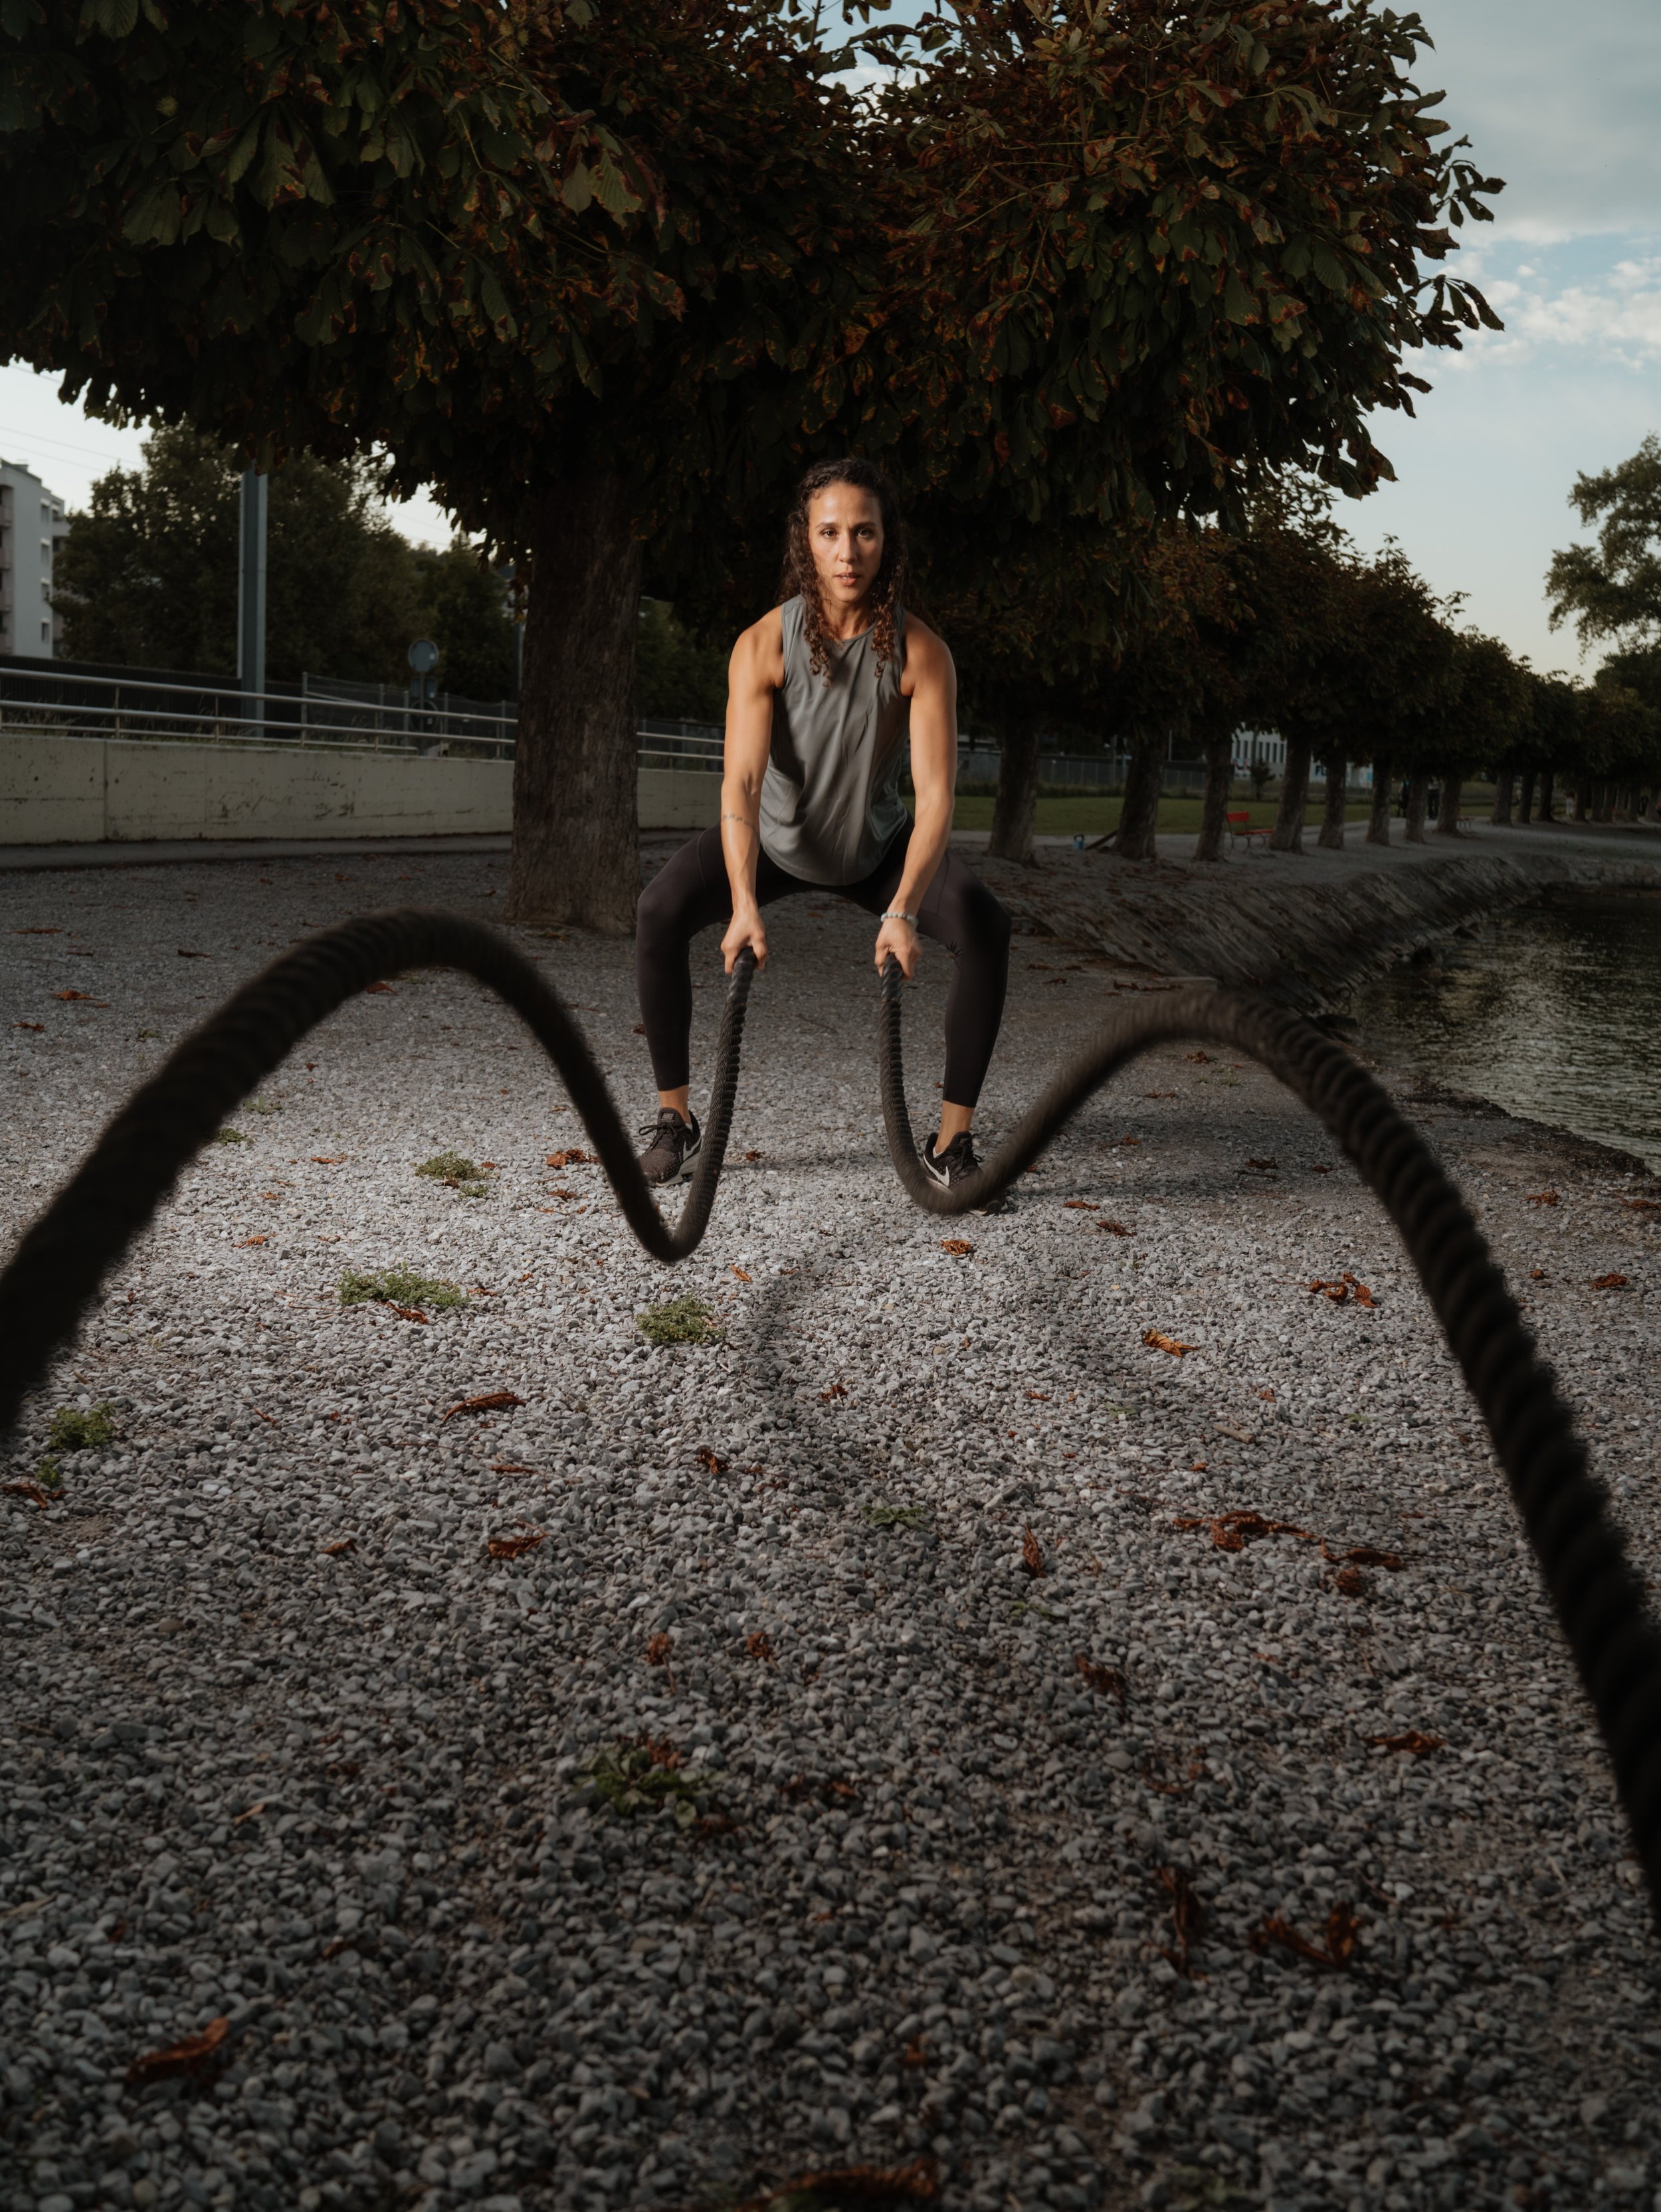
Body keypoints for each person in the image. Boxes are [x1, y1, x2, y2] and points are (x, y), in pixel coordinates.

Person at [634, 456, 1011, 1191]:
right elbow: (741, 783)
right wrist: (742, 904)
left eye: (864, 533)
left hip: (874, 848)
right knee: (659, 910)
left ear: (886, 541)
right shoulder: (762, 644)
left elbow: (936, 798)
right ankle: (674, 1121)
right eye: (830, 533)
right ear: (804, 541)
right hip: (774, 840)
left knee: (985, 925)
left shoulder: (924, 654)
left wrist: (902, 909)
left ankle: (952, 1144)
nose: (847, 552)